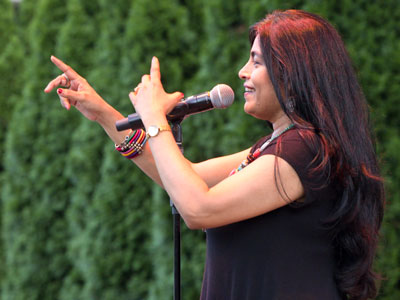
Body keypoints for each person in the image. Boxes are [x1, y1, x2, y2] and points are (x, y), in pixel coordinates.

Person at [44, 9, 384, 300]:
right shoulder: (275, 147)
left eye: (257, 62)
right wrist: (104, 112)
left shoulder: (305, 151)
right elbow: (178, 176)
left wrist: (155, 119)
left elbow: (198, 208)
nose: (243, 72)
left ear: (294, 74)